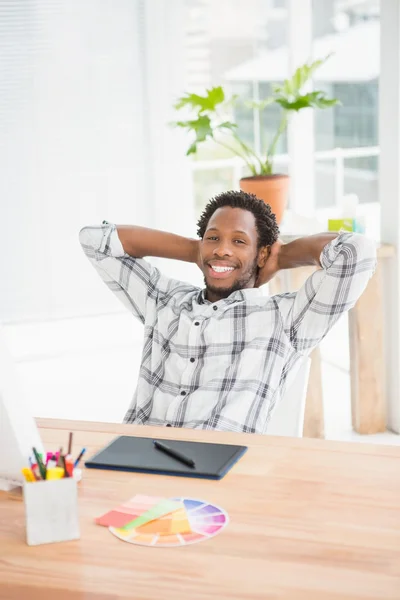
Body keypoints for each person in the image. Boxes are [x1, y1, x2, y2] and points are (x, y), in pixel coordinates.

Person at [79, 190, 377, 434]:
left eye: (239, 241)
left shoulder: (285, 318)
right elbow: (95, 241)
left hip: (217, 468)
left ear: (261, 253)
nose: (222, 250)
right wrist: (193, 250)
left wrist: (282, 257)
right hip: (136, 453)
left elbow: (355, 253)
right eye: (213, 238)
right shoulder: (164, 300)